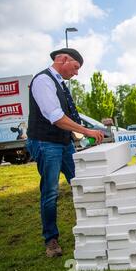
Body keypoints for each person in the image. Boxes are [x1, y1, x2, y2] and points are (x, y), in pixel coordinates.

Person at [26, 48, 104, 258]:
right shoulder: (43, 81)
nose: (77, 73)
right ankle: (51, 239)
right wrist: (87, 130)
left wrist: (79, 136)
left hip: (63, 142)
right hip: (45, 143)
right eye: (76, 67)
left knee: (80, 182)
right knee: (50, 192)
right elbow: (56, 117)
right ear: (62, 59)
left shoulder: (59, 83)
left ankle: (92, 226)